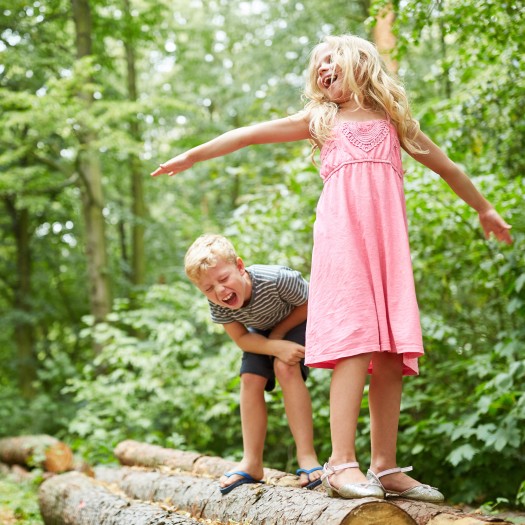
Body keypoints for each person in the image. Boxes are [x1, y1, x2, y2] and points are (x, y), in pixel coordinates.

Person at [153, 35, 512, 501]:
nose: (323, 69)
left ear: (360, 62)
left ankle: (385, 466)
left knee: (389, 351)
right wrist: (192, 155)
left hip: (387, 249)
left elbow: (449, 168)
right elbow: (247, 135)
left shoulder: (394, 122)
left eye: (331, 60)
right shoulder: (321, 121)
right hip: (342, 247)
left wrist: (484, 209)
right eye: (317, 65)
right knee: (356, 345)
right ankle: (342, 462)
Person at [184, 233, 322, 495]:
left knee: (285, 367)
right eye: (208, 289)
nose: (220, 291)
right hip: (260, 336)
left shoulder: (278, 279)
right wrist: (273, 345)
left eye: (223, 279)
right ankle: (252, 462)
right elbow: (242, 339)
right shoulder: (219, 306)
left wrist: (280, 336)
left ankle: (307, 458)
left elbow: (310, 304)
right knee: (249, 378)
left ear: (239, 266)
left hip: (299, 321)